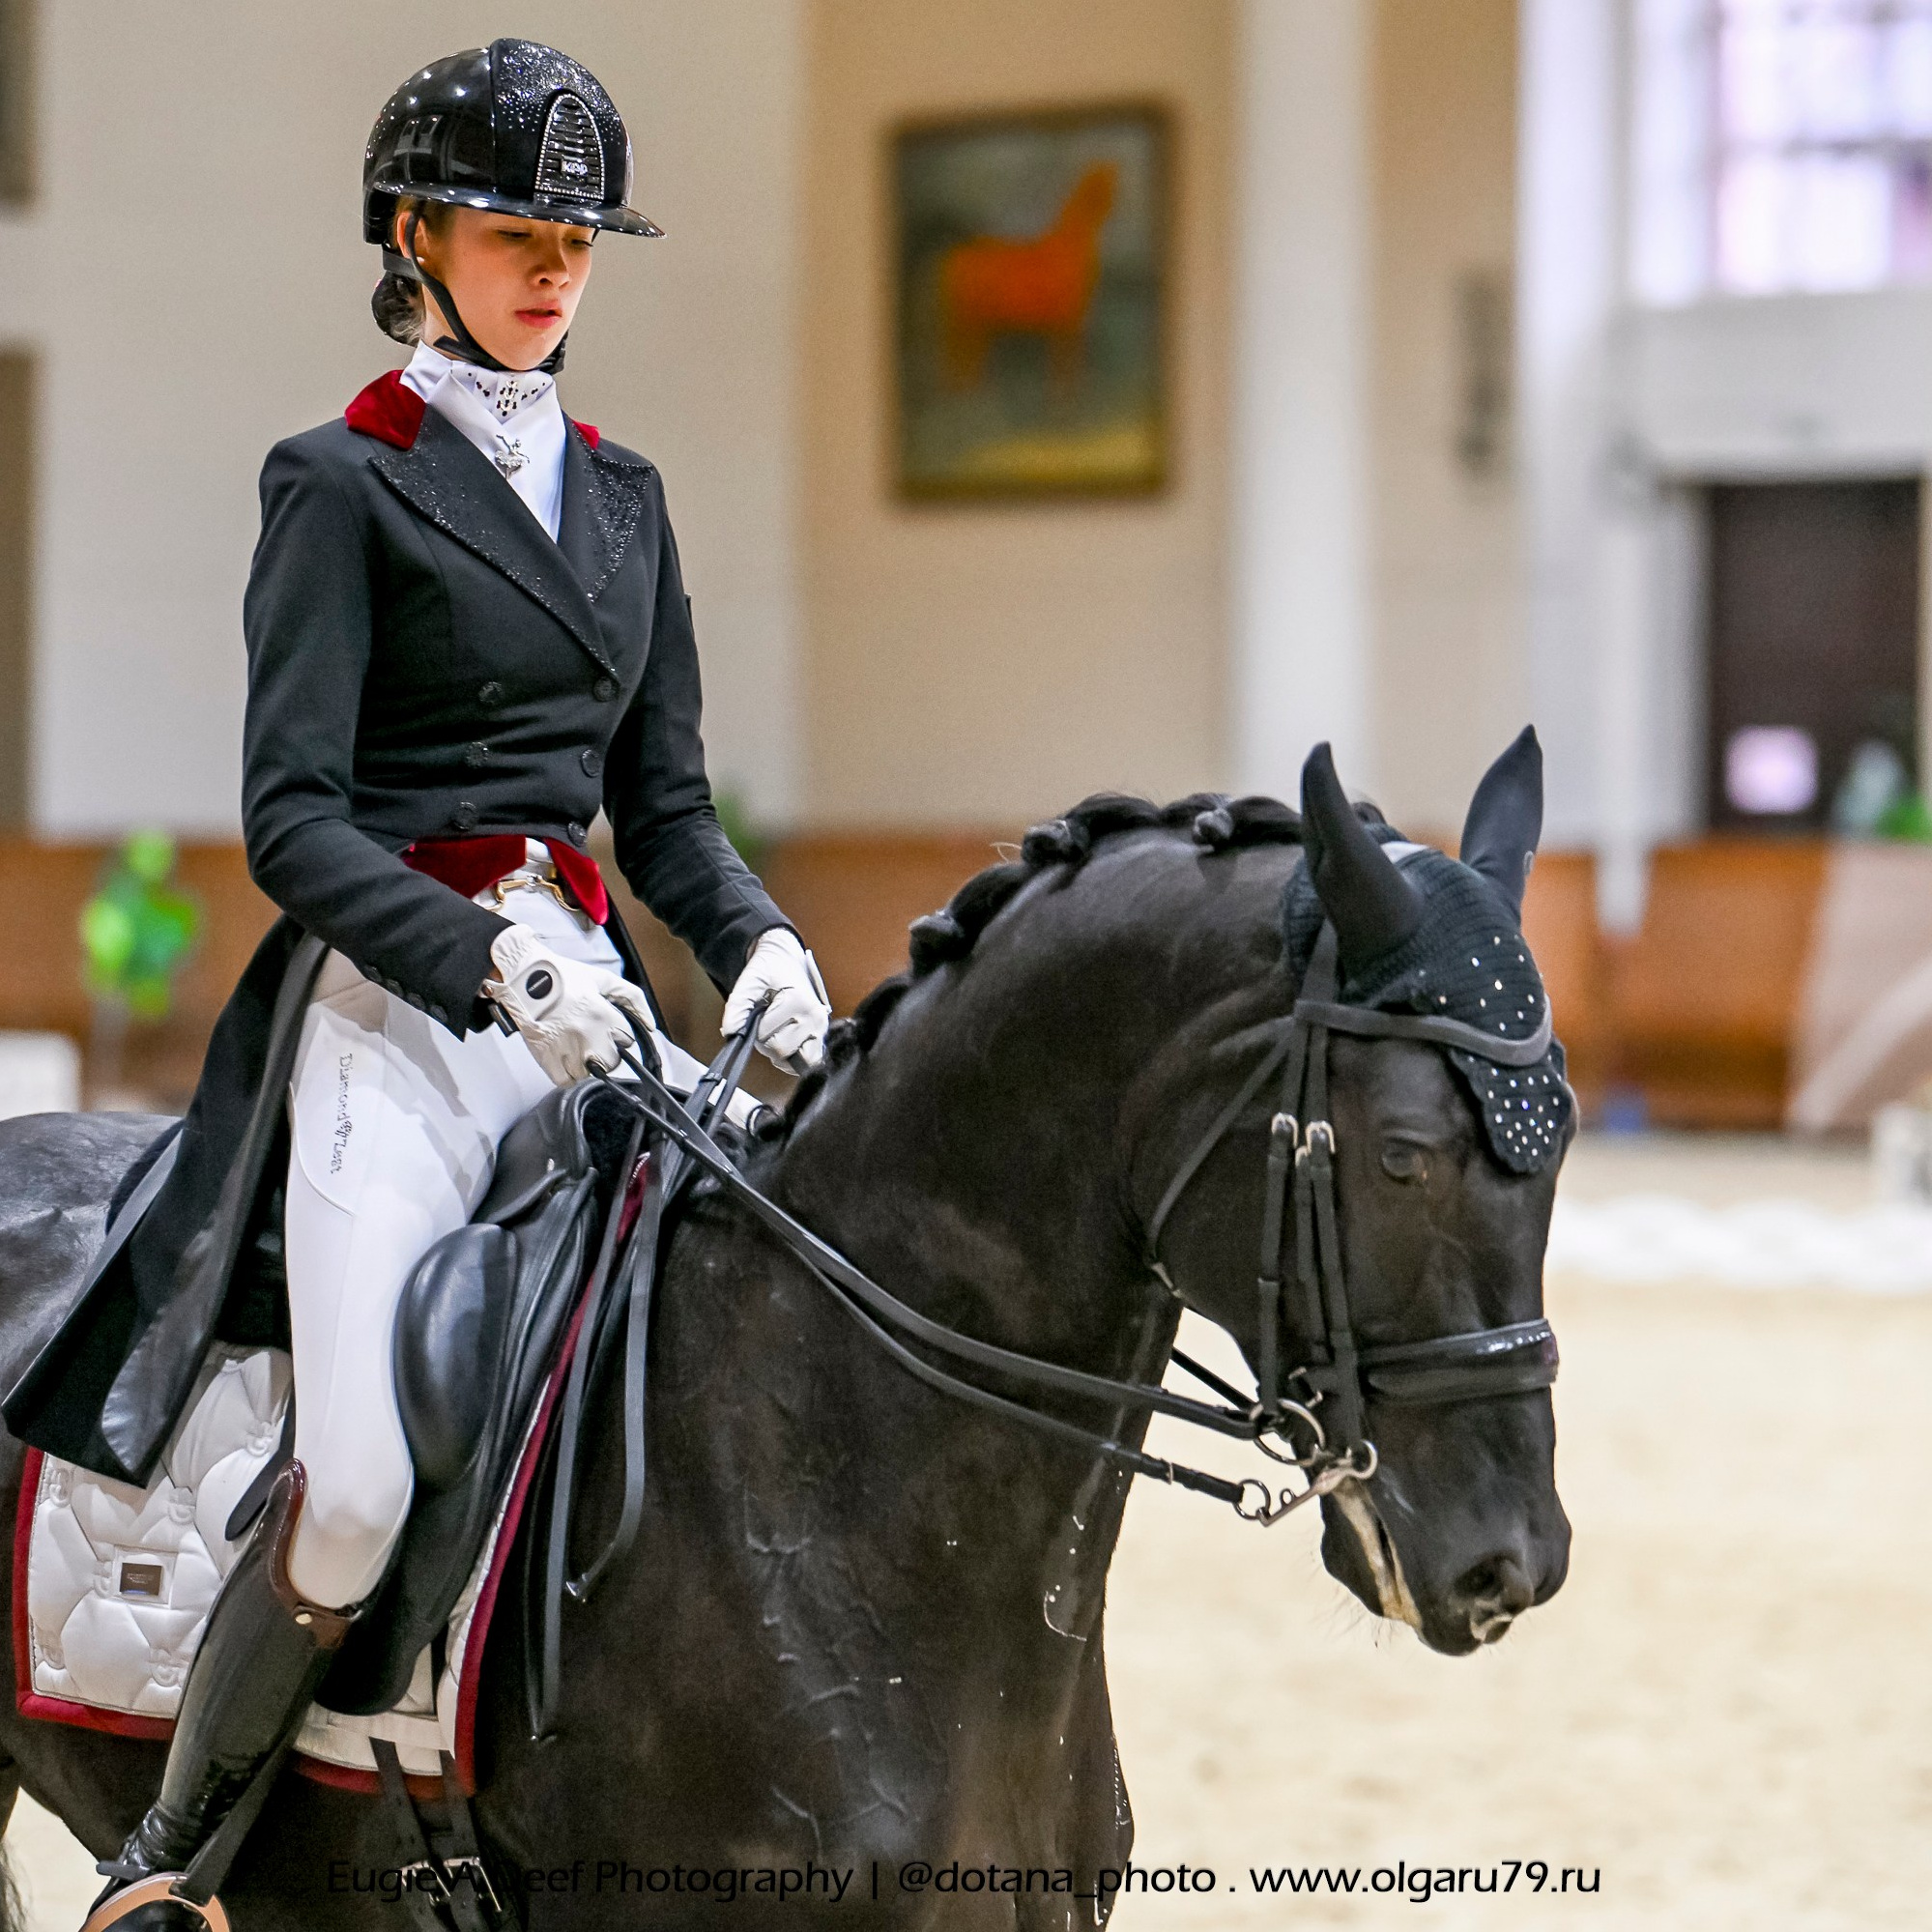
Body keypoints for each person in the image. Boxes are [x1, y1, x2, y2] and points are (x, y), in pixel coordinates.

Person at [71, 41, 830, 1927]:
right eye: (515, 230)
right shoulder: (340, 481)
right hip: (393, 1018)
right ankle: (175, 1863)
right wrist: (485, 956)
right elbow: (290, 822)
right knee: (347, 1483)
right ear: (413, 238)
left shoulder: (630, 500)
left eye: (577, 234)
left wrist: (761, 946)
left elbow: (661, 817)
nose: (555, 266)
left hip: (594, 1012)